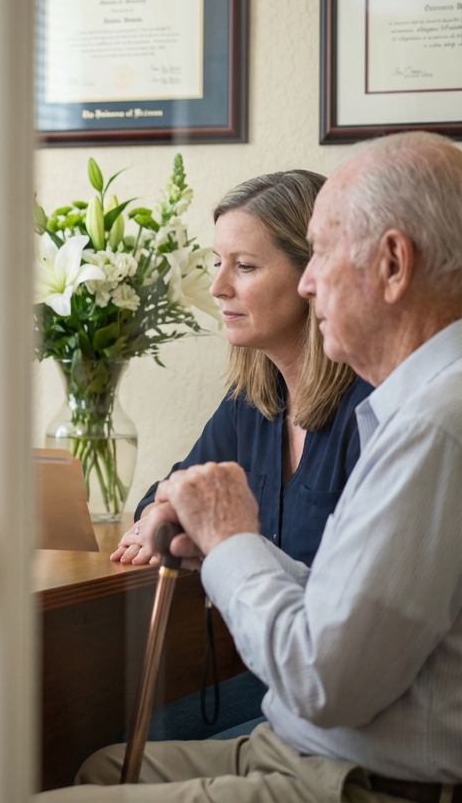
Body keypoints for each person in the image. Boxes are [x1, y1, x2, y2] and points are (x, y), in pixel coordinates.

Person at [47, 131, 462, 801]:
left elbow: (322, 680)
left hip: (352, 770)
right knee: (99, 765)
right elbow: (350, 609)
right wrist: (214, 535)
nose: (307, 280)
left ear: (392, 264)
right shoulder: (409, 406)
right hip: (309, 741)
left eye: (321, 253)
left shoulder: (432, 425)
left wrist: (234, 542)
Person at [109, 171, 373, 741]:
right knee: (117, 736)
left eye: (245, 267)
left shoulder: (373, 408)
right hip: (265, 675)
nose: (218, 287)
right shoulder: (250, 403)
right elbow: (175, 489)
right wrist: (163, 508)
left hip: (336, 696)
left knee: (119, 756)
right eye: (216, 263)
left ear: (313, 276)